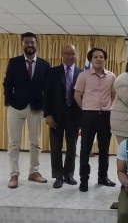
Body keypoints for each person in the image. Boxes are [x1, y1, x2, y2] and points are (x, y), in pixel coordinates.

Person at [3, 32, 50, 188]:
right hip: (15, 107)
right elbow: (7, 83)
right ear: (22, 44)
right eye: (27, 42)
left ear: (37, 45)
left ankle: (33, 172)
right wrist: (8, 102)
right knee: (13, 143)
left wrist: (44, 105)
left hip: (36, 108)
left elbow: (47, 88)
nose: (30, 45)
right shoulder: (14, 62)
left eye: (32, 43)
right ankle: (14, 175)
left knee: (35, 143)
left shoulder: (44, 64)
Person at [74, 47, 116, 192]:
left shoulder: (111, 76)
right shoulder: (83, 75)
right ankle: (84, 180)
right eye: (95, 57)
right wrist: (86, 108)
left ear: (105, 59)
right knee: (85, 148)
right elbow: (77, 95)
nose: (99, 59)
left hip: (105, 116)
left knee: (104, 149)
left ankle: (102, 177)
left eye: (101, 57)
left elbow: (113, 94)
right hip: (88, 116)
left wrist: (108, 107)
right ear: (91, 60)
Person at [44, 44, 82, 189]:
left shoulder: (81, 73)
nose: (69, 56)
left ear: (76, 55)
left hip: (74, 116)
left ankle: (69, 175)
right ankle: (58, 176)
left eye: (72, 53)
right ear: (61, 54)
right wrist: (48, 114)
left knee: (71, 147)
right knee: (55, 147)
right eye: (66, 53)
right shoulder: (52, 72)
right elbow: (46, 95)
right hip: (56, 116)